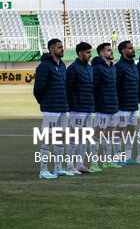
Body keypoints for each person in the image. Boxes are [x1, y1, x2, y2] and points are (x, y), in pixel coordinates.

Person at [34, 39, 72, 179]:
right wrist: (45, 103)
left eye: (62, 47)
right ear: (51, 49)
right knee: (48, 138)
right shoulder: (44, 66)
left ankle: (58, 168)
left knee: (60, 138)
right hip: (51, 108)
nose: (62, 49)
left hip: (62, 108)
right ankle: (43, 170)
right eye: (59, 47)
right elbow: (38, 89)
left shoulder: (62, 65)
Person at [66, 42, 95, 174]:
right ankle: (69, 166)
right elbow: (68, 88)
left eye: (90, 52)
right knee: (74, 138)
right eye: (88, 52)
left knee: (84, 138)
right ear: (80, 53)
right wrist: (73, 105)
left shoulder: (89, 68)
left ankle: (80, 164)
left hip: (88, 108)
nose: (90, 54)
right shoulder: (72, 68)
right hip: (77, 109)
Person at [92, 42, 121, 170]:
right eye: (108, 50)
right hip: (102, 108)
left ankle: (107, 160)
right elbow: (94, 88)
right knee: (97, 135)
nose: (111, 52)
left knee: (109, 135)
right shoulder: (97, 68)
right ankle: (93, 163)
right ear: (101, 53)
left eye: (111, 49)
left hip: (113, 107)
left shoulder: (113, 68)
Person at [115, 40, 140, 165]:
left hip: (133, 105)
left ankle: (128, 157)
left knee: (130, 132)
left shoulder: (133, 65)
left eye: (132, 47)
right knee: (119, 132)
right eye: (130, 48)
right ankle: (117, 158)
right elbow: (116, 86)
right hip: (122, 105)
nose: (133, 50)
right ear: (123, 51)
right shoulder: (119, 66)